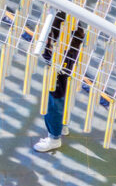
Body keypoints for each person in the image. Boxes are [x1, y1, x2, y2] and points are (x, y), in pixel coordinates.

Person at [34, 11, 85, 152]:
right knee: (64, 98)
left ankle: (54, 138)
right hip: (66, 72)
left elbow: (46, 53)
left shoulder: (58, 55)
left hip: (57, 75)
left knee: (53, 103)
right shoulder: (73, 45)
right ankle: (63, 125)